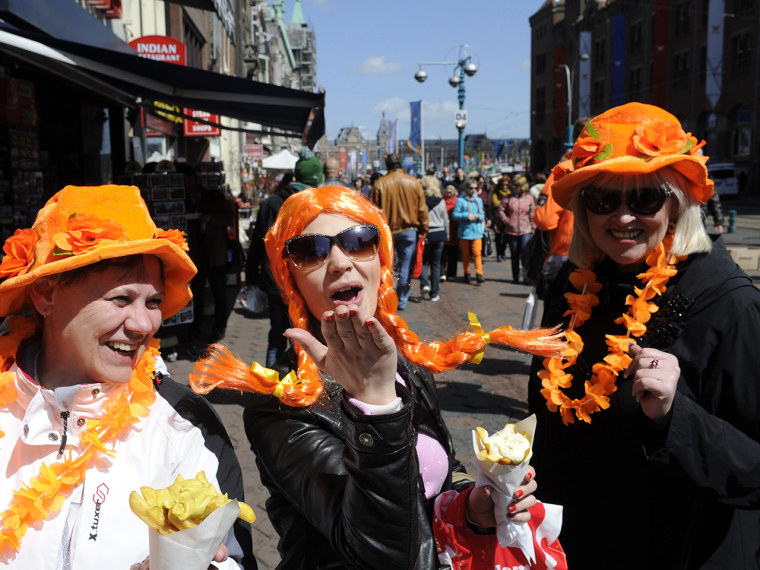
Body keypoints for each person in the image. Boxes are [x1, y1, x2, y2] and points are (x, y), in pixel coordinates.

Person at [189, 186, 569, 569]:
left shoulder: (407, 364)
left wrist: (473, 503)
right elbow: (383, 553)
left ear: (381, 261)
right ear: (292, 281)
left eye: (358, 242)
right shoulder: (281, 406)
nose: (339, 262)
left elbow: (440, 472)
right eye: (312, 251)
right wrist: (375, 406)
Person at [527, 102, 760, 569]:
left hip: (679, 552)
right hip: (577, 547)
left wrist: (675, 416)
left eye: (645, 199)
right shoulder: (572, 285)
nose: (623, 217)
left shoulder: (728, 304)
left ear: (675, 202)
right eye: (603, 200)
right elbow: (545, 421)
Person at [0, 185, 255, 569]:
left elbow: (232, 557)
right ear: (45, 294)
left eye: (153, 302)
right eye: (121, 299)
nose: (144, 324)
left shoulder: (183, 424)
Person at [246, 147, 323, 366]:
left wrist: (251, 279)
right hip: (305, 281)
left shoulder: (271, 202)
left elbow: (256, 245)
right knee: (308, 337)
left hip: (274, 280)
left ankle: (271, 385)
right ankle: (304, 387)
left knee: (278, 334)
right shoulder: (314, 204)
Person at [371, 153, 428, 310]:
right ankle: (401, 300)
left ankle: (389, 297)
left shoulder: (380, 184)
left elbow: (373, 211)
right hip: (409, 230)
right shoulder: (414, 183)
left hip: (387, 230)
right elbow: (422, 209)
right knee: (405, 266)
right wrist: (424, 228)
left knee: (388, 265)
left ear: (387, 164)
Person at [497, 173, 535, 283]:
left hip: (525, 230)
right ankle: (515, 276)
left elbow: (533, 214)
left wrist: (534, 228)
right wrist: (507, 221)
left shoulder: (529, 198)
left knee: (525, 254)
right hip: (511, 231)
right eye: (512, 184)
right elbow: (500, 211)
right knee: (514, 255)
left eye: (516, 185)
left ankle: (526, 276)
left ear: (522, 186)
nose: (513, 187)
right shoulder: (508, 198)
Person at [419, 176, 449, 301]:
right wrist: (447, 235)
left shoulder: (421, 201)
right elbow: (445, 219)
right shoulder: (441, 201)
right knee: (436, 264)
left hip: (426, 233)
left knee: (424, 262)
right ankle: (435, 293)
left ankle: (425, 284)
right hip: (439, 233)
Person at [452, 181, 486, 284]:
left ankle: (479, 273)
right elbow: (455, 215)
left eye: (475, 188)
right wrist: (466, 216)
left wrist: (478, 217)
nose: (474, 190)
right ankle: (466, 273)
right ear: (466, 189)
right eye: (471, 188)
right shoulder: (460, 201)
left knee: (477, 252)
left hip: (476, 230)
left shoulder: (478, 200)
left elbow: (482, 214)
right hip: (465, 231)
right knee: (465, 254)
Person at [490, 172, 511, 261]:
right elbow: (495, 203)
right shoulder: (495, 192)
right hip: (498, 218)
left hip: (508, 217)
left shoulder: (510, 192)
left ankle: (502, 252)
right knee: (498, 236)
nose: (504, 186)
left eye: (506, 184)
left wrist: (501, 202)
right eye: (503, 184)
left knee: (506, 237)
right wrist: (504, 203)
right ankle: (499, 254)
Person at [442, 184, 460, 281]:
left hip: (454, 228)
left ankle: (452, 274)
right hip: (444, 228)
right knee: (443, 254)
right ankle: (442, 273)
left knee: (453, 253)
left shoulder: (457, 201)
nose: (448, 190)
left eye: (451, 189)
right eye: (447, 188)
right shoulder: (442, 200)